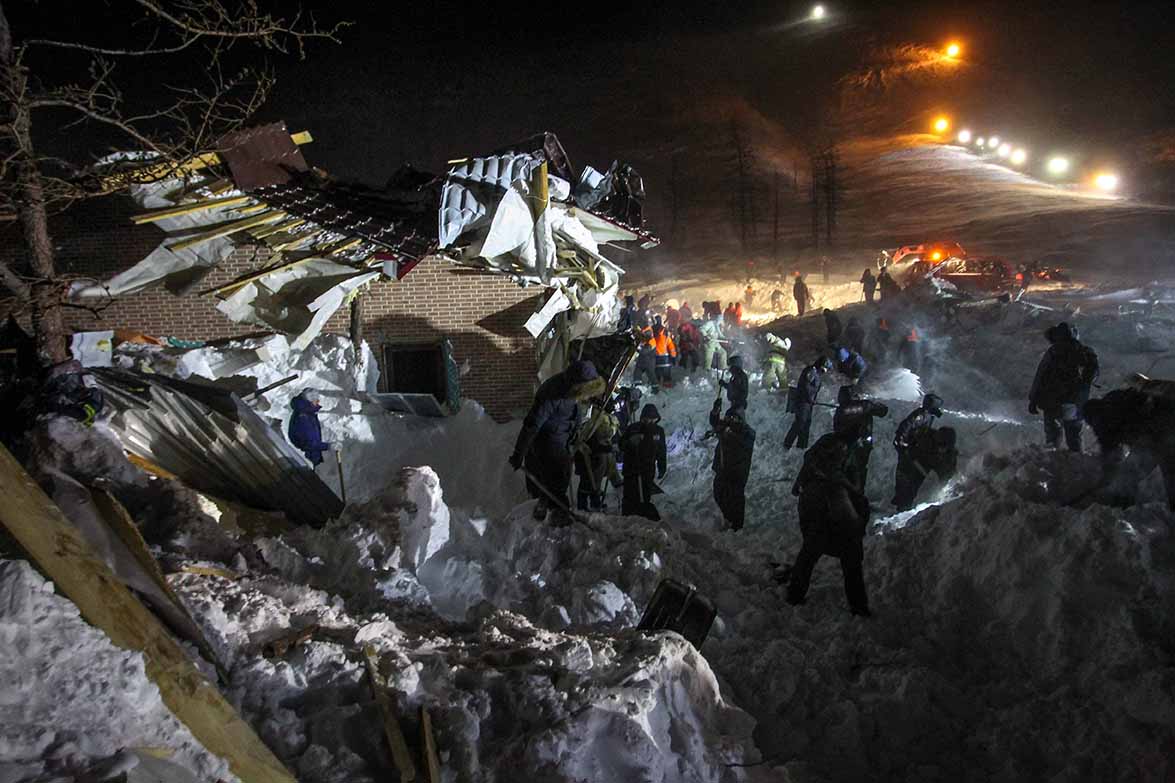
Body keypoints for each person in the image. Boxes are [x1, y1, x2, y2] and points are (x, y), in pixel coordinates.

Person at [786, 431, 871, 616]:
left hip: (821, 514)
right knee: (847, 558)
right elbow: (855, 506)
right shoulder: (838, 459)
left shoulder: (828, 456)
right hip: (828, 516)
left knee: (810, 554)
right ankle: (858, 607)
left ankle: (794, 595)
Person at [510, 360, 605, 522]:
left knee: (557, 484)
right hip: (547, 446)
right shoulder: (552, 395)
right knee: (555, 487)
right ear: (579, 386)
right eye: (587, 393)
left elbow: (571, 412)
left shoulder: (570, 388)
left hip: (562, 442)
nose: (587, 396)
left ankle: (551, 515)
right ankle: (557, 520)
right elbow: (532, 424)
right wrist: (519, 453)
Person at [1028, 322, 1099, 452]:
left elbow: (1041, 376)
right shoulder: (1085, 352)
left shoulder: (1053, 352)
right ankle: (1077, 460)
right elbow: (1093, 375)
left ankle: (1052, 461)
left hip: (1052, 402)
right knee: (1074, 437)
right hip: (1075, 401)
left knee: (1053, 439)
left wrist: (1033, 400)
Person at [892, 394, 955, 510]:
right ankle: (902, 503)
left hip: (915, 449)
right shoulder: (921, 415)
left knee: (910, 480)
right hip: (909, 450)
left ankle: (903, 501)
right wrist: (902, 443)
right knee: (905, 478)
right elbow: (906, 427)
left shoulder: (928, 416)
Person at [832, 385, 889, 492]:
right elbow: (883, 411)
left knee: (843, 470)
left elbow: (836, 428)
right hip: (862, 444)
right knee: (859, 470)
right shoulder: (865, 405)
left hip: (843, 446)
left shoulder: (840, 410)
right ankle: (857, 493)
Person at [710, 398, 755, 531]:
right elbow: (714, 423)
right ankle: (727, 517)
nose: (730, 420)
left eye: (734, 418)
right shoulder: (726, 426)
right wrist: (715, 411)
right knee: (718, 493)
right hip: (722, 469)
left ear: (740, 419)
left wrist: (729, 434)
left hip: (737, 473)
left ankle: (737, 526)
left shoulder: (748, 433)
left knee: (736, 500)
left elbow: (742, 443)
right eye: (728, 417)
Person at [621, 403, 667, 520]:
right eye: (647, 418)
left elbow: (661, 451)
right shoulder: (633, 429)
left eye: (652, 419)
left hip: (648, 469)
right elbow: (621, 445)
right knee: (630, 495)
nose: (649, 421)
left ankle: (644, 517)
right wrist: (630, 442)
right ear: (642, 418)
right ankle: (627, 518)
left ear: (656, 418)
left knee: (645, 495)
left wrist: (662, 467)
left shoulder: (658, 431)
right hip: (631, 469)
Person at [575, 412, 621, 512]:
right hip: (587, 458)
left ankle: (595, 502)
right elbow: (592, 444)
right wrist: (608, 448)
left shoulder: (609, 419)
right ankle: (582, 506)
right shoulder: (592, 424)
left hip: (597, 459)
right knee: (586, 482)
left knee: (596, 480)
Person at [784, 357, 832, 449]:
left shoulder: (816, 373)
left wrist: (812, 400)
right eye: (826, 368)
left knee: (806, 425)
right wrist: (810, 399)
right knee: (800, 423)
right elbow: (805, 386)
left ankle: (801, 447)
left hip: (808, 403)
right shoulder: (811, 371)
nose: (825, 371)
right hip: (803, 402)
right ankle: (787, 445)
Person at [288, 389, 330, 465]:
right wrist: (329, 446)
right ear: (310, 401)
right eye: (316, 399)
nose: (318, 401)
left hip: (312, 456)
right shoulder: (303, 417)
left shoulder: (307, 413)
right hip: (308, 459)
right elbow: (310, 444)